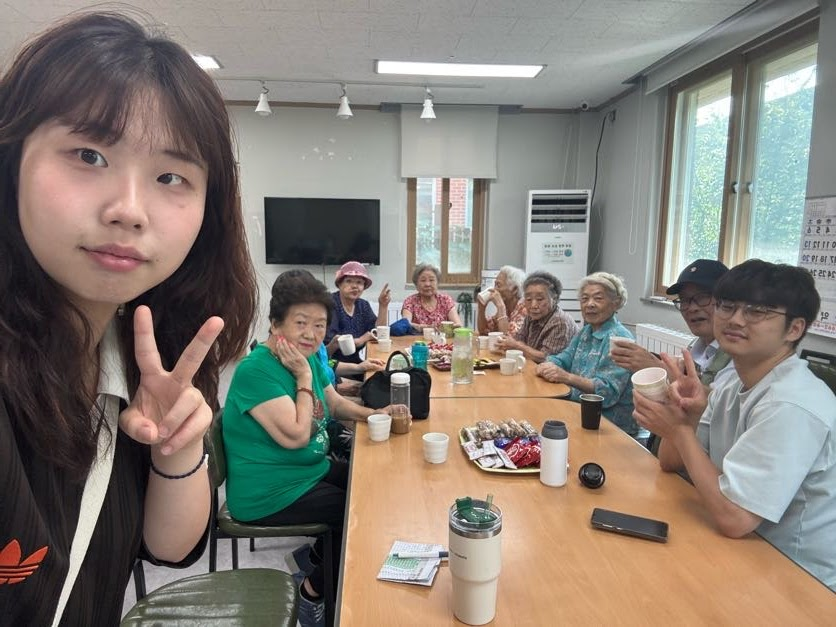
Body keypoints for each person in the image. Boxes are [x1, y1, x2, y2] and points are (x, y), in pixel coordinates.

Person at [0, 12, 257, 625]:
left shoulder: (144, 350)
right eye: (88, 155)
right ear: (12, 161)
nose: (129, 210)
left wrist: (176, 447)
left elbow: (169, 547)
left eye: (171, 176)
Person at [633, 260, 836, 590]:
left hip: (796, 578)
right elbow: (670, 462)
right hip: (740, 549)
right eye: (727, 306)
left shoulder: (791, 404)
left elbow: (735, 518)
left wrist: (679, 431)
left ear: (794, 329)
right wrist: (684, 416)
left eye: (758, 311)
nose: (736, 319)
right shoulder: (732, 383)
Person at [222, 270, 405, 626]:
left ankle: (319, 558)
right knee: (357, 514)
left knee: (371, 485)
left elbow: (334, 403)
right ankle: (312, 593)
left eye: (319, 325)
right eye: (301, 323)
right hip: (270, 491)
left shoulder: (303, 357)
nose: (311, 334)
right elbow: (295, 436)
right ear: (276, 323)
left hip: (306, 470)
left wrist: (375, 413)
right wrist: (304, 380)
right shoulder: (256, 371)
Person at [536, 272, 636, 436]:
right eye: (584, 299)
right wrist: (549, 364)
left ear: (616, 303)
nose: (590, 304)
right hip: (577, 411)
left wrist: (566, 377)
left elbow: (607, 391)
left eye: (598, 298)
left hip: (607, 424)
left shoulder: (619, 338)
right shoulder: (586, 331)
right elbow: (565, 358)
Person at [611, 259, 734, 388]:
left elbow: (717, 400)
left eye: (702, 297)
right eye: (684, 300)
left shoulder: (737, 357)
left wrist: (658, 370)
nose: (692, 308)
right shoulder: (695, 347)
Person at [497, 271, 579, 363]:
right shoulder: (531, 316)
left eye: (540, 299)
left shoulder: (560, 321)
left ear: (554, 299)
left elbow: (546, 358)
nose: (533, 305)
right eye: (528, 299)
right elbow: (519, 339)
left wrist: (516, 346)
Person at [325, 261, 390, 369]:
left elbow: (378, 332)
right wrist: (361, 340)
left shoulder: (363, 305)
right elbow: (334, 342)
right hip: (330, 365)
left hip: (355, 363)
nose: (355, 286)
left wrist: (383, 306)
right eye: (349, 281)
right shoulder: (330, 303)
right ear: (339, 284)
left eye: (359, 282)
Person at [402, 263, 462, 331]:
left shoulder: (446, 300)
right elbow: (405, 324)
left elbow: (458, 325)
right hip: (417, 337)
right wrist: (421, 328)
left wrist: (452, 327)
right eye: (423, 280)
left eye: (431, 280)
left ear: (437, 283)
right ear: (416, 285)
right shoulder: (410, 301)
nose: (427, 284)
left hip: (442, 337)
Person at [476, 265, 527, 336]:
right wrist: (481, 308)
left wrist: (500, 306)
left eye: (498, 285)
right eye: (495, 285)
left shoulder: (525, 308)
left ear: (514, 289)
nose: (494, 289)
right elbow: (484, 331)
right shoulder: (506, 308)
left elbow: (509, 337)